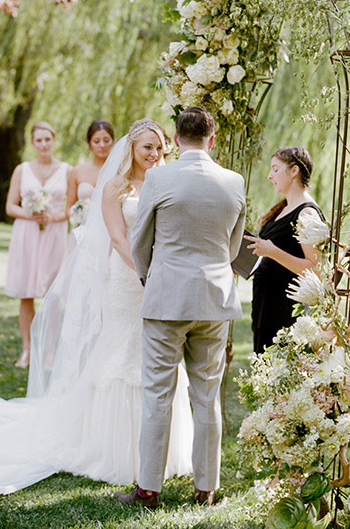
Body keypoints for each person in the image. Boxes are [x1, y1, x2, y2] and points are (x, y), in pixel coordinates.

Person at [0, 119, 193, 498]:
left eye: (159, 146)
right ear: (131, 148)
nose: (154, 153)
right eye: (146, 146)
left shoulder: (166, 183)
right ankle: (112, 448)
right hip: (128, 278)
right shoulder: (115, 186)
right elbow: (117, 238)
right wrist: (146, 274)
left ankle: (161, 452)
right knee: (122, 351)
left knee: (157, 355)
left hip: (161, 280)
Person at [116, 106, 246, 508]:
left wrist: (149, 278)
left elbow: (140, 239)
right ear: (212, 139)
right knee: (207, 396)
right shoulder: (234, 181)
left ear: (175, 139)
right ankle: (206, 487)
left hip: (167, 297)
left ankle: (149, 489)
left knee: (158, 394)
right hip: (214, 299)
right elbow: (234, 246)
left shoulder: (158, 177)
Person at [5, 121, 71, 368]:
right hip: (27, 235)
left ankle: (50, 352)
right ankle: (27, 350)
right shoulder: (22, 170)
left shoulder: (67, 170)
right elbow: (10, 206)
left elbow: (71, 207)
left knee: (53, 295)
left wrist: (53, 216)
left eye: (48, 139)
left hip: (54, 235)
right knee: (27, 293)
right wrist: (30, 214)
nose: (44, 144)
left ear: (54, 140)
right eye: (39, 140)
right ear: (33, 143)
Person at [245, 146, 323, 354]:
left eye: (275, 169)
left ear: (294, 171)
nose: (270, 176)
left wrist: (272, 252)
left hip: (285, 311)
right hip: (266, 307)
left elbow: (316, 269)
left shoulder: (306, 214)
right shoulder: (284, 208)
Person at [66, 119, 115, 224]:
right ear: (89, 143)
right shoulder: (78, 171)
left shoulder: (120, 170)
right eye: (96, 141)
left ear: (113, 142)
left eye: (106, 140)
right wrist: (79, 216)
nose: (102, 145)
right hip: (82, 231)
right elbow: (68, 208)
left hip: (109, 231)